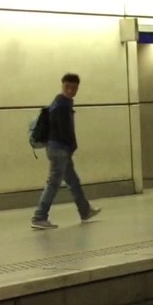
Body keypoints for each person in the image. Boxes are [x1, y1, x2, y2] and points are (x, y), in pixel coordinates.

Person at [31, 73, 100, 230]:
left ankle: (85, 211)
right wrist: (71, 147)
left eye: (74, 88)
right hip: (59, 150)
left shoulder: (61, 102)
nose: (70, 90)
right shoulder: (61, 105)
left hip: (59, 149)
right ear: (62, 86)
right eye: (67, 87)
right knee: (53, 183)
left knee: (73, 182)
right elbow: (64, 131)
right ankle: (39, 217)